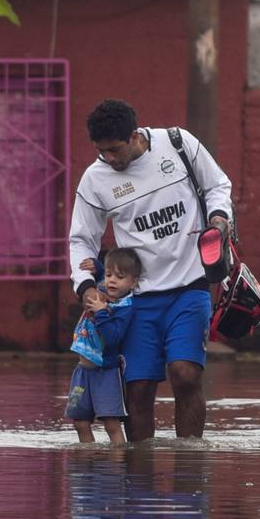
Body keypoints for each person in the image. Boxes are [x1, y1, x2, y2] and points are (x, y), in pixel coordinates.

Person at [69, 99, 232, 442]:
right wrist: (85, 286)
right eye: (101, 152)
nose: (109, 159)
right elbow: (81, 240)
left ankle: (189, 468)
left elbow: (218, 185)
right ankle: (138, 483)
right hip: (136, 301)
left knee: (185, 374)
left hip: (190, 287)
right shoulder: (96, 179)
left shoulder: (178, 143)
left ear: (133, 136)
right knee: (138, 390)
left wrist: (218, 219)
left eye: (114, 150)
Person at [66, 249, 141, 445]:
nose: (112, 281)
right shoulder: (101, 288)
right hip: (82, 372)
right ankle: (86, 469)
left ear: (133, 283)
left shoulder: (125, 307)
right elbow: (100, 275)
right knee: (80, 423)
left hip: (106, 372)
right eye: (109, 275)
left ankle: (118, 470)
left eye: (120, 277)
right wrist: (97, 266)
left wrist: (100, 313)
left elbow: (114, 338)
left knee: (111, 424)